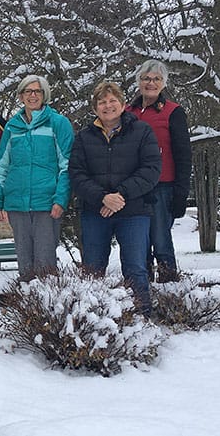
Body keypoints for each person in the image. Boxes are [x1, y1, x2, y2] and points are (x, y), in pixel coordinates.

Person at [69, 81, 161, 316]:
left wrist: (120, 195)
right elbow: (77, 175)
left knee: (135, 268)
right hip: (95, 212)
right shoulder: (84, 137)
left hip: (134, 211)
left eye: (112, 101)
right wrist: (103, 198)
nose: (107, 106)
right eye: (102, 102)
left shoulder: (142, 132)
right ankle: (92, 323)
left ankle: (142, 320)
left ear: (122, 105)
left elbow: (151, 170)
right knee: (93, 270)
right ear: (95, 108)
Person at [0, 75, 74, 281]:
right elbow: (1, 166)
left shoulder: (58, 123)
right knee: (25, 265)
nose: (33, 95)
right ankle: (28, 307)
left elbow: (67, 166)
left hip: (46, 204)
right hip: (17, 204)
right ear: (21, 96)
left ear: (44, 95)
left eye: (37, 91)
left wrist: (60, 199)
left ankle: (48, 308)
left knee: (45, 265)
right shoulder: (12, 126)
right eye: (28, 91)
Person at [126, 59, 192, 282]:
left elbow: (183, 155)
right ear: (139, 81)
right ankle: (142, 291)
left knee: (161, 240)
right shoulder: (128, 111)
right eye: (146, 78)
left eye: (156, 79)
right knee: (139, 243)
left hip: (162, 187)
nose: (150, 83)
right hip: (134, 188)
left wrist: (181, 192)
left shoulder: (173, 112)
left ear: (163, 83)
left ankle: (169, 290)